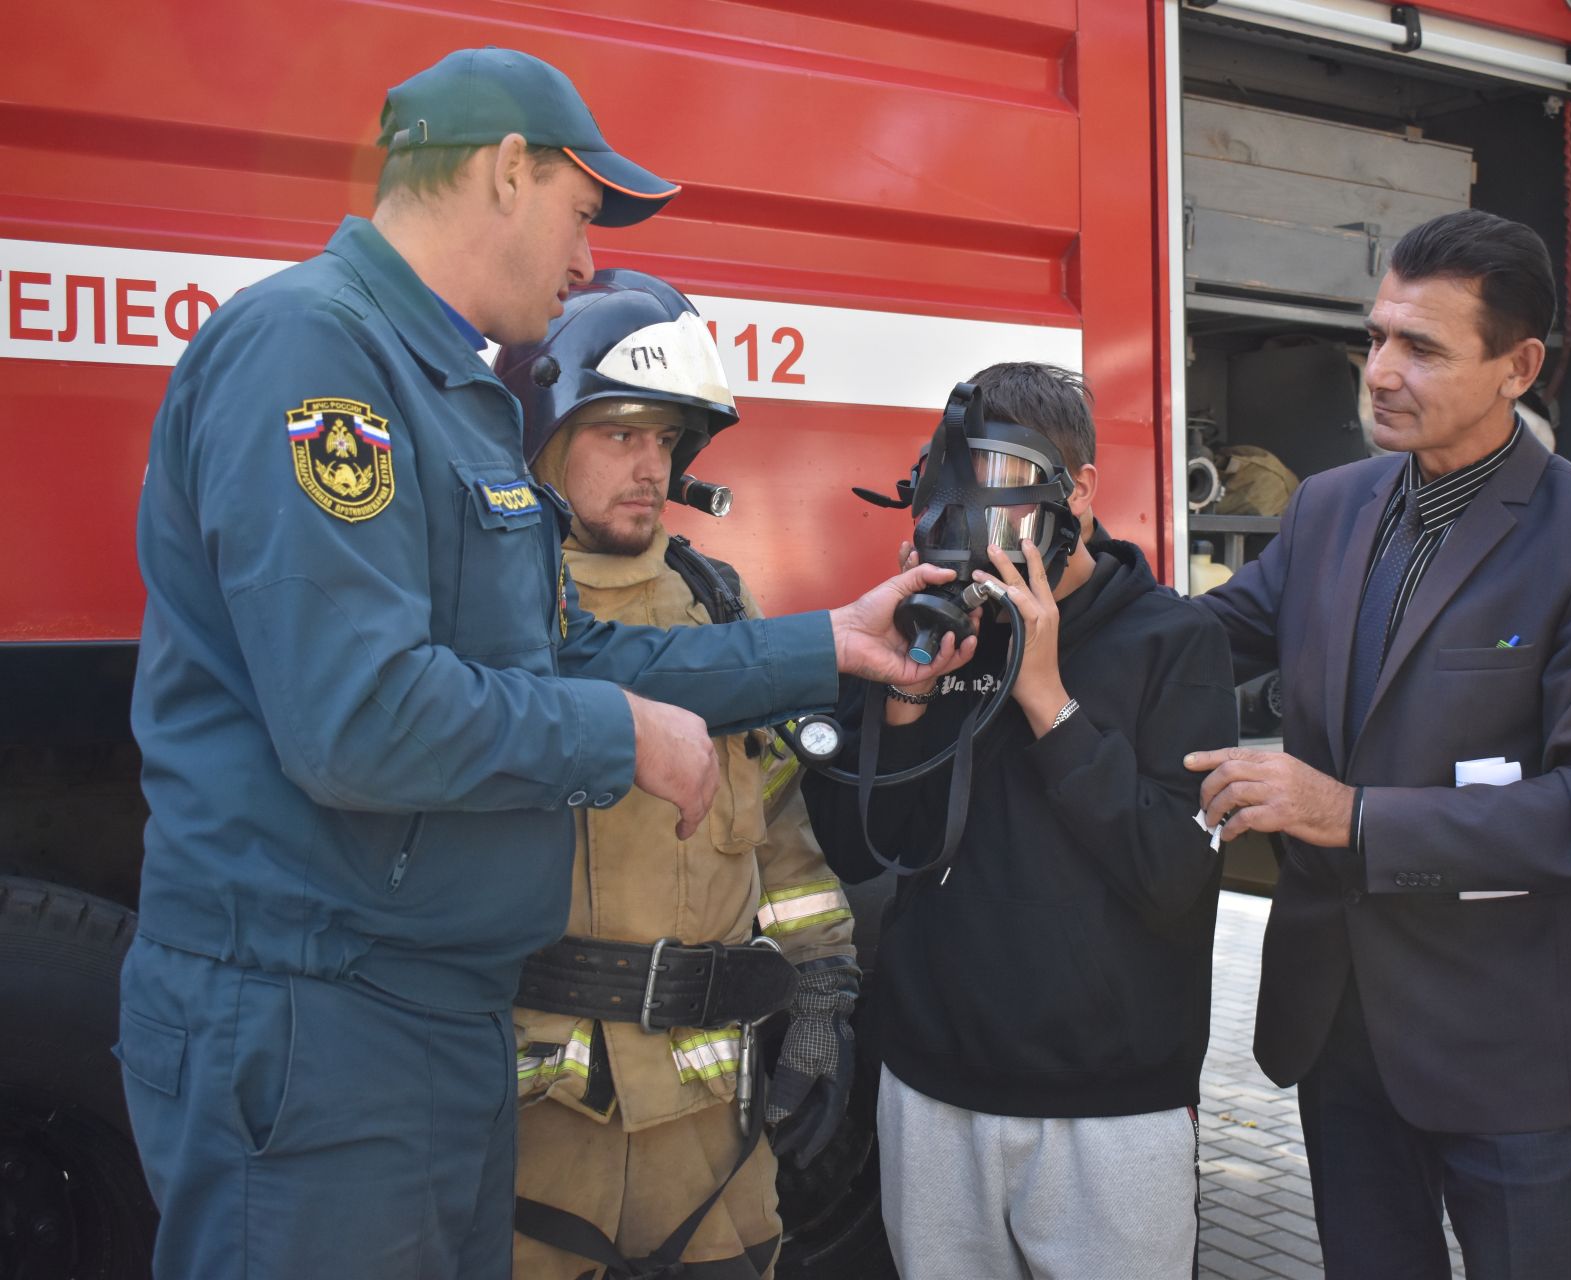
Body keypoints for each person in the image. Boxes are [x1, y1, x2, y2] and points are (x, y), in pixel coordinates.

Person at [118, 48, 968, 1280]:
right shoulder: (315, 354)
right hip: (320, 1025)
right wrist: (619, 734)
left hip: (426, 1020)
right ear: (506, 171)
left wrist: (824, 644)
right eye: (583, 215)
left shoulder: (450, 390)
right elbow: (356, 716)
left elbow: (562, 647)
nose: (585, 264)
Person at [1186, 208, 1571, 1280]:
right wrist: (1068, 591)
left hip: (1508, 1056)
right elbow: (1199, 641)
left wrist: (1350, 816)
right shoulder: (1329, 507)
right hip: (1339, 1032)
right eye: (1375, 337)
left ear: (1519, 365)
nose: (1380, 371)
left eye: (1422, 346)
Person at [803, 363, 1239, 1279]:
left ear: (1077, 488)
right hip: (930, 1091)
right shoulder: (935, 627)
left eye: (999, 485)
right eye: (948, 483)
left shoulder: (1174, 641)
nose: (972, 517)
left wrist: (1050, 706)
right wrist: (903, 703)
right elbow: (862, 849)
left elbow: (1174, 877)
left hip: (1110, 1109)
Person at [495, 271, 858, 1278]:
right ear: (546, 439)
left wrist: (823, 986)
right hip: (544, 1128)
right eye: (619, 433)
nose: (649, 465)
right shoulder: (501, 611)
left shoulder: (719, 601)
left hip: (710, 1146)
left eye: (666, 439)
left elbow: (778, 819)